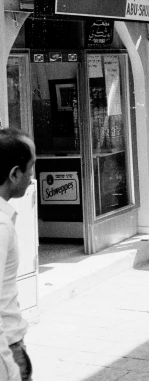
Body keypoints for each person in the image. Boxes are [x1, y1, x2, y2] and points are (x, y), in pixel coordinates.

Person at [0, 129, 36, 381]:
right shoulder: (0, 226)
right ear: (14, 174)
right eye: (31, 168)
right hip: (7, 349)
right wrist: (9, 369)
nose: (33, 177)